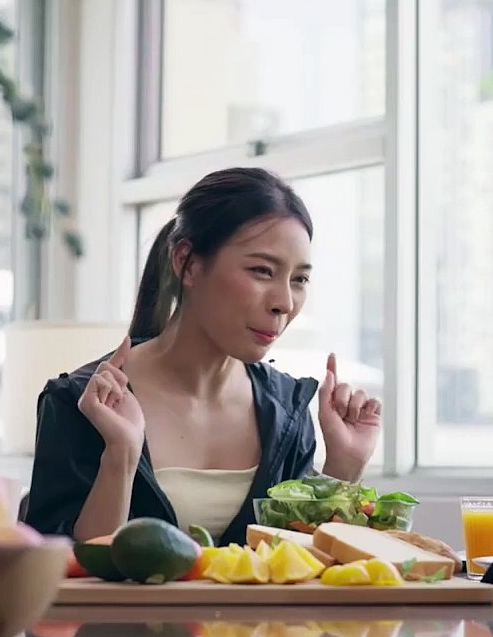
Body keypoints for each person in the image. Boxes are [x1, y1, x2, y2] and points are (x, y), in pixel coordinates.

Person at [23, 167, 381, 546]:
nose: (284, 303)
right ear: (188, 263)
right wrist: (122, 455)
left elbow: (302, 568)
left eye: (299, 279)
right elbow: (61, 576)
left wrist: (344, 468)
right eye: (262, 271)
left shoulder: (288, 411)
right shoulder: (81, 403)